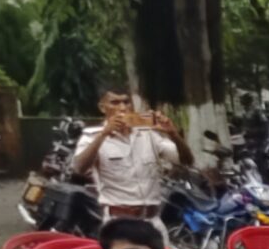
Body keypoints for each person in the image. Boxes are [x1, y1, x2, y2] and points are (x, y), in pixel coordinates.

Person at [72, 86, 191, 220]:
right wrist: (103, 134)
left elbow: (187, 161)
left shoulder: (148, 134)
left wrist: (173, 134)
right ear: (103, 108)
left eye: (126, 102)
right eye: (115, 103)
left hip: (152, 219)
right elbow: (79, 168)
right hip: (119, 219)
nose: (123, 108)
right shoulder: (92, 137)